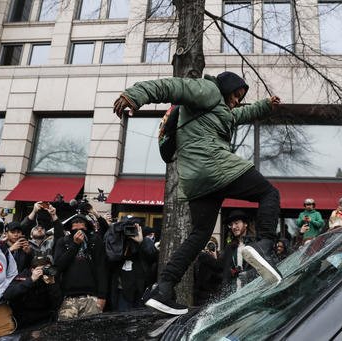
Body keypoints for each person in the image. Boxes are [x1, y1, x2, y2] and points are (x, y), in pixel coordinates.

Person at [114, 71, 282, 315]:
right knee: (269, 194)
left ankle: (163, 288)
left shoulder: (220, 110)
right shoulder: (208, 90)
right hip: (213, 166)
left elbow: (242, 114)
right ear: (226, 87)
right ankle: (264, 244)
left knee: (200, 235)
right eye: (235, 95)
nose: (236, 101)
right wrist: (134, 95)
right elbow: (172, 86)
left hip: (195, 180)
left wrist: (266, 105)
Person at [54, 214, 108, 320]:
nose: (79, 232)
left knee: (90, 333)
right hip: (68, 298)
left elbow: (101, 269)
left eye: (82, 229)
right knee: (65, 334)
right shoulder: (63, 242)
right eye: (75, 229)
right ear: (70, 229)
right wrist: (75, 245)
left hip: (91, 297)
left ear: (87, 228)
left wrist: (102, 297)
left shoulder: (95, 241)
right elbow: (58, 267)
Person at [105, 216, 158, 311]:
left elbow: (153, 257)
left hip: (140, 290)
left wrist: (141, 241)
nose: (129, 231)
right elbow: (111, 258)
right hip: (122, 290)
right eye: (127, 228)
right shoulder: (119, 242)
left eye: (132, 228)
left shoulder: (145, 241)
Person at [3, 255, 62, 329]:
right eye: (41, 269)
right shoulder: (24, 276)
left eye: (47, 268)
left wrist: (52, 284)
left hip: (45, 319)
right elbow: (8, 295)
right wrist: (31, 280)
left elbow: (57, 304)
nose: (44, 271)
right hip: (24, 319)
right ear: (32, 270)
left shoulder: (51, 276)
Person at [220, 210, 256, 293]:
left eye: (236, 223)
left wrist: (248, 275)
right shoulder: (230, 247)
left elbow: (263, 268)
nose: (233, 227)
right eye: (231, 224)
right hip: (233, 293)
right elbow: (222, 268)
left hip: (251, 292)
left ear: (245, 224)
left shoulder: (255, 245)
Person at [194, 236, 223, 306]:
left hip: (215, 298)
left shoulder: (220, 259)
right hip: (201, 298)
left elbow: (221, 277)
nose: (208, 249)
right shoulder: (201, 260)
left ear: (216, 248)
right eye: (206, 246)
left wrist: (215, 258)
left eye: (211, 246)